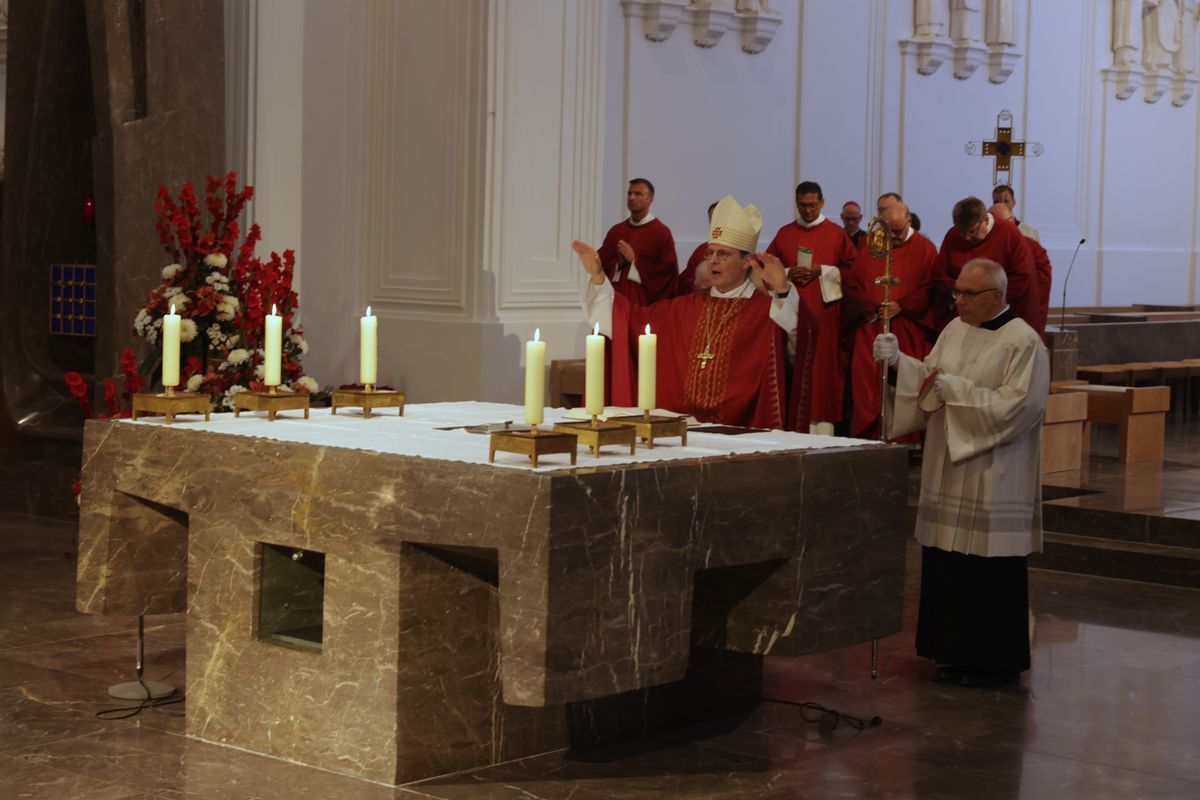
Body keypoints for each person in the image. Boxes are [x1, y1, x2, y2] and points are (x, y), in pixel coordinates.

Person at [874, 258, 1049, 687]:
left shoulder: (1023, 342)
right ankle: (952, 650)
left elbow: (1021, 406)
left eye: (966, 294)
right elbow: (933, 380)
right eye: (955, 292)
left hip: (994, 472)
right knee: (949, 562)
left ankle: (994, 662)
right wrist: (900, 363)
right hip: (949, 467)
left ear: (996, 296)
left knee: (987, 572)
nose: (957, 301)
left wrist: (960, 392)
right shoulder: (954, 330)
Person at [575, 195, 814, 430]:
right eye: (710, 253)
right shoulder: (682, 309)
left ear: (746, 261)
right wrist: (598, 276)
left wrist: (782, 289)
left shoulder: (765, 312)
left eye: (724, 254)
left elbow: (800, 342)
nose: (713, 261)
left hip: (742, 435)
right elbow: (625, 322)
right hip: (681, 433)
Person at [765, 181, 856, 434]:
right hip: (791, 312)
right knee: (794, 367)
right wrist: (788, 273)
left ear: (823, 203)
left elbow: (853, 271)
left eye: (813, 205)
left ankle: (824, 432)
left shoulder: (836, 234)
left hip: (825, 315)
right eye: (803, 206)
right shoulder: (784, 234)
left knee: (822, 370)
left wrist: (822, 271)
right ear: (796, 204)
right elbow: (766, 270)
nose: (808, 211)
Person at [843, 201, 935, 439]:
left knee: (906, 378)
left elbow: (931, 287)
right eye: (889, 231)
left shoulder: (925, 248)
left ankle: (907, 437)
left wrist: (902, 305)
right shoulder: (870, 246)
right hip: (872, 324)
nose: (893, 237)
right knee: (867, 380)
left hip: (909, 326)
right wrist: (871, 305)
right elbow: (853, 283)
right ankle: (874, 434)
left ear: (909, 222)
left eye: (898, 231)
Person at [931, 196, 1037, 334]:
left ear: (985, 220)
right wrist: (961, 289)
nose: (967, 238)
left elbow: (1022, 277)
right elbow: (939, 275)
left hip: (998, 320)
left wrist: (986, 300)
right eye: (962, 233)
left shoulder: (1008, 233)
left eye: (972, 231)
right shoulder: (953, 236)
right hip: (962, 318)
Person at [596, 179, 681, 305]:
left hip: (645, 304)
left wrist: (635, 261)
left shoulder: (661, 233)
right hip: (616, 301)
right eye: (629, 193)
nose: (631, 197)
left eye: (638, 194)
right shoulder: (617, 231)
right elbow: (604, 264)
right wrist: (618, 264)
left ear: (650, 199)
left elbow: (667, 273)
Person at [991, 202, 1050, 338]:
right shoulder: (994, 246)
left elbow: (1039, 282)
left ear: (1011, 222)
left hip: (1022, 312)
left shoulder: (1031, 247)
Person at [679, 201, 720, 292]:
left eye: (720, 218)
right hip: (700, 300)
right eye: (712, 218)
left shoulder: (740, 252)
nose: (716, 223)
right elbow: (685, 279)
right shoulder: (702, 249)